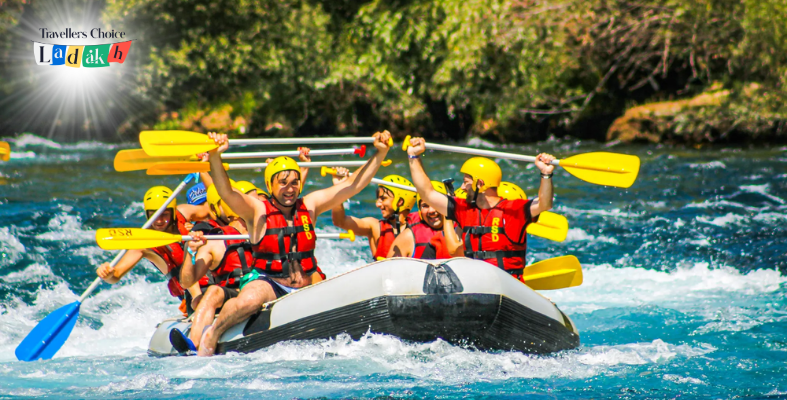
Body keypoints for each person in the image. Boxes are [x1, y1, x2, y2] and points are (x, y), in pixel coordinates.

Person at [197, 130, 393, 356]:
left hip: (306, 282)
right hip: (270, 283)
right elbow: (226, 192)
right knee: (248, 301)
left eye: (294, 183)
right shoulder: (257, 210)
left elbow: (352, 185)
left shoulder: (310, 205)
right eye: (283, 183)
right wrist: (215, 156)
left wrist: (380, 153)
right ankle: (213, 332)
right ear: (270, 185)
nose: (290, 189)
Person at [405, 137, 556, 279]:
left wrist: (546, 174)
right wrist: (414, 156)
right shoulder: (463, 209)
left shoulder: (513, 210)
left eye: (466, 182)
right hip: (477, 284)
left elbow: (545, 203)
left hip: (507, 285)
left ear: (480, 184)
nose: (462, 187)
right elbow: (427, 193)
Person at [96, 186, 210, 315]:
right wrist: (108, 274)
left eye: (164, 214)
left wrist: (197, 227)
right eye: (153, 215)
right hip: (191, 294)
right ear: (147, 214)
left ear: (173, 212)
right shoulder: (144, 244)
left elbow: (212, 211)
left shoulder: (183, 213)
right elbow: (116, 275)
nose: (159, 220)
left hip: (211, 275)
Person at [170, 183, 254, 353]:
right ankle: (194, 344)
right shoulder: (212, 238)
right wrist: (190, 252)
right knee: (213, 292)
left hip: (262, 288)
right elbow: (186, 282)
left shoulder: (264, 227)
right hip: (234, 292)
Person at [330, 168, 417, 261]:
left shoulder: (419, 228)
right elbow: (340, 221)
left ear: (400, 202)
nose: (377, 204)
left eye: (383, 199)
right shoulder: (375, 227)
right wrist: (338, 187)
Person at [386, 181, 460, 259]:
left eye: (436, 204)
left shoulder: (460, 230)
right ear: (420, 210)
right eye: (425, 206)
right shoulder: (408, 236)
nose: (431, 210)